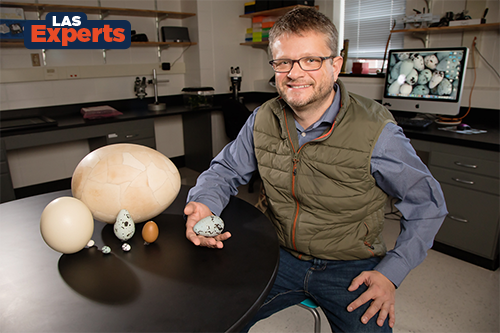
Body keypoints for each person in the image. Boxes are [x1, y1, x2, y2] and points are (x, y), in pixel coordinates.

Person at [184, 7, 447, 333]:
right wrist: (204, 203)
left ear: (335, 66)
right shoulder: (263, 118)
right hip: (276, 253)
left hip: (350, 266)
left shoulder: (377, 131)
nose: (295, 73)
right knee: (210, 319)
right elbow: (224, 170)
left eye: (310, 60)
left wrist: (392, 272)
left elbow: (428, 205)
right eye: (283, 62)